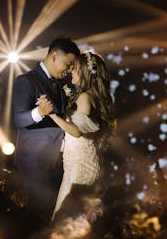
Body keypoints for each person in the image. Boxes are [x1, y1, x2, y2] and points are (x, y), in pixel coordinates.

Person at [12, 37, 80, 227]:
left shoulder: (58, 85)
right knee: (39, 213)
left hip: (54, 160)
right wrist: (38, 112)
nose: (68, 70)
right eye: (67, 64)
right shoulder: (26, 81)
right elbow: (18, 119)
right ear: (54, 56)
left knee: (50, 212)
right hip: (33, 158)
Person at [42, 51, 116, 220]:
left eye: (74, 68)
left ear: (84, 72)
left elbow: (76, 131)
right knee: (75, 220)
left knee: (66, 220)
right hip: (79, 164)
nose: (71, 72)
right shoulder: (89, 97)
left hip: (80, 166)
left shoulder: (84, 97)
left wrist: (51, 114)